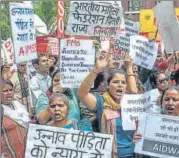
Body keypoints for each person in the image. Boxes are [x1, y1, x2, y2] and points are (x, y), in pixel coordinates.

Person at [78, 53, 138, 158]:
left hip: (131, 154)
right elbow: (82, 94)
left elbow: (133, 91)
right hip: (107, 154)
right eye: (115, 82)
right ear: (107, 85)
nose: (120, 85)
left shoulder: (131, 103)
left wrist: (129, 68)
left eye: (123, 82)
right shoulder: (101, 102)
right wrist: (96, 69)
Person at [1, 80, 30, 158]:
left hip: (27, 152)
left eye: (10, 90)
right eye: (5, 91)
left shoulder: (19, 106)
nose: (9, 92)